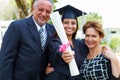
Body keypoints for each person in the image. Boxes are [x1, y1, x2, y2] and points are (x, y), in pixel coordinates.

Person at [0, 0, 56, 80]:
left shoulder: (53, 30)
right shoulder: (17, 27)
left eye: (48, 11)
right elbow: (5, 60)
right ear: (33, 9)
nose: (44, 14)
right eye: (40, 10)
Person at [45, 5, 88, 80]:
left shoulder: (80, 44)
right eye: (66, 22)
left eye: (73, 23)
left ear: (77, 25)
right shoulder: (54, 42)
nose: (70, 26)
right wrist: (64, 54)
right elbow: (57, 50)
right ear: (61, 24)